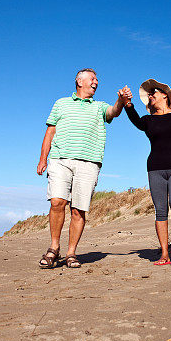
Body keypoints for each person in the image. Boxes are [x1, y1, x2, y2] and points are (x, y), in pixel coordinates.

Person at [36, 68, 128, 269]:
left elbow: (114, 112)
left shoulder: (99, 107)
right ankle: (53, 248)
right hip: (60, 159)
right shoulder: (61, 103)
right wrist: (43, 159)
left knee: (78, 210)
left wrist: (120, 100)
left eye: (97, 79)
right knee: (57, 202)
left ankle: (71, 253)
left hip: (89, 162)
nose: (96, 82)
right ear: (79, 81)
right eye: (92, 79)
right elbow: (50, 132)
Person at [122, 79, 171, 265]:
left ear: (164, 95)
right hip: (155, 168)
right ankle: (164, 254)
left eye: (153, 93)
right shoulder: (148, 120)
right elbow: (135, 120)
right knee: (160, 211)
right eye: (149, 94)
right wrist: (128, 104)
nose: (150, 96)